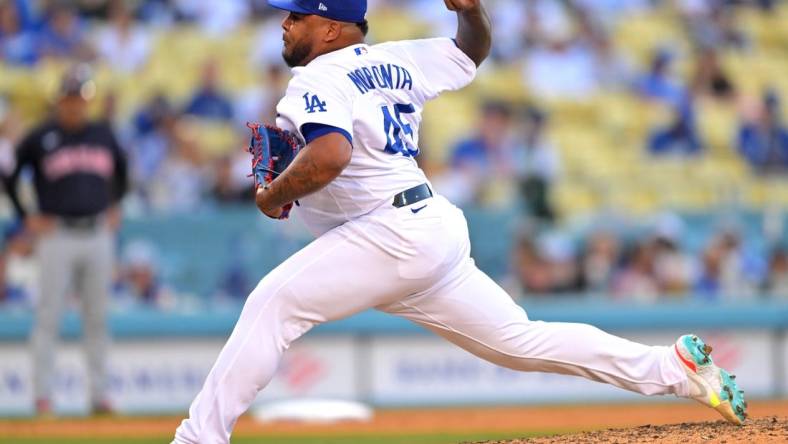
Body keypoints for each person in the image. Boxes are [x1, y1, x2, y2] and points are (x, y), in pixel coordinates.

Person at [173, 1, 746, 442]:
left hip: (387, 234)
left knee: (273, 304)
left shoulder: (315, 79)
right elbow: (471, 52)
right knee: (520, 341)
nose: (285, 24)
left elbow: (330, 157)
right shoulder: (398, 58)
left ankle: (198, 437)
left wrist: (273, 193)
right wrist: (470, 11)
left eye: (296, 16)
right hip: (428, 227)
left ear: (329, 28)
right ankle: (674, 371)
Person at [3, 65, 128, 416]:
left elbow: (122, 171)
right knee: (48, 316)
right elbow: (11, 177)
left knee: (98, 317)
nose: (75, 105)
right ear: (60, 100)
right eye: (70, 98)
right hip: (56, 233)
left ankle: (99, 396)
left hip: (97, 232)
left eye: (80, 98)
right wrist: (25, 215)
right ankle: (43, 397)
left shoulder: (103, 134)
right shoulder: (42, 136)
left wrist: (116, 204)